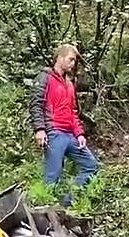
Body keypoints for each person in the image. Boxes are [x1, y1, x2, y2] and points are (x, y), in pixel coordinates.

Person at [30, 43, 99, 198]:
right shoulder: (45, 78)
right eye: (70, 59)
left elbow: (73, 112)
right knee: (53, 178)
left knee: (91, 166)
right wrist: (40, 129)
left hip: (71, 136)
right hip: (54, 133)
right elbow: (36, 104)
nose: (73, 63)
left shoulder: (69, 84)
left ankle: (67, 204)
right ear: (60, 58)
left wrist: (80, 134)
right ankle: (45, 212)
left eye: (74, 60)